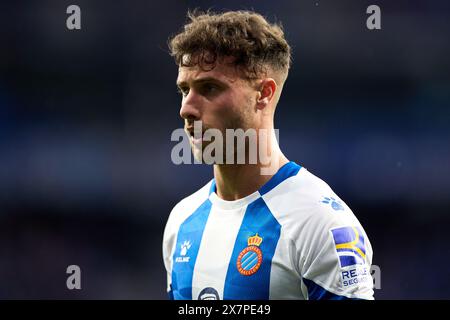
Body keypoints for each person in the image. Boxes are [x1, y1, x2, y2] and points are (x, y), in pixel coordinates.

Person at [162, 10, 374, 300]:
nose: (186, 108)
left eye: (209, 88)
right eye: (184, 89)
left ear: (263, 94)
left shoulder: (321, 222)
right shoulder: (182, 221)